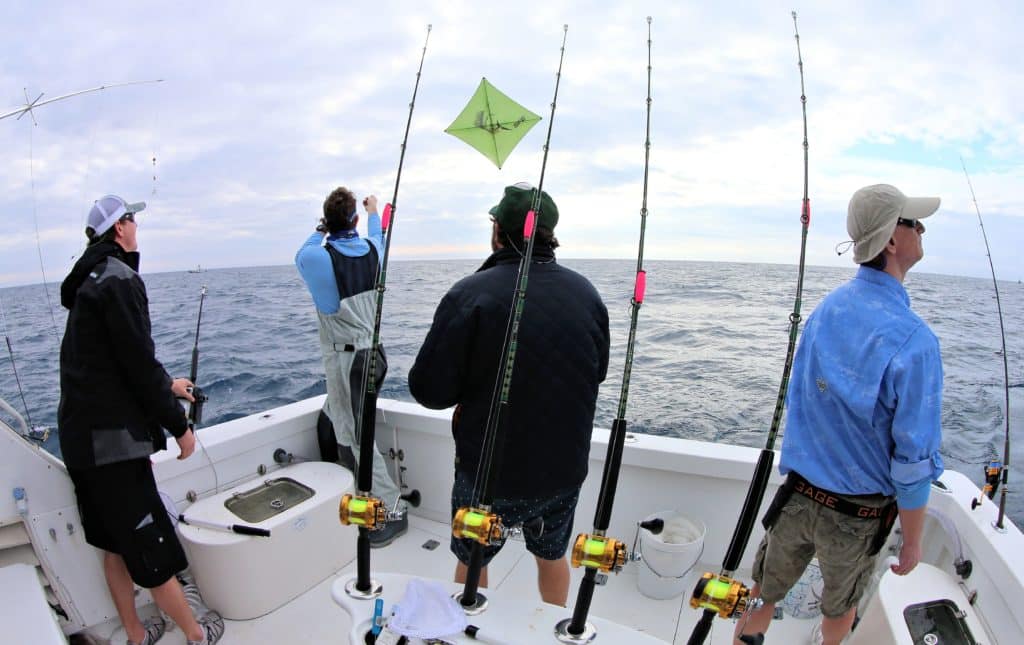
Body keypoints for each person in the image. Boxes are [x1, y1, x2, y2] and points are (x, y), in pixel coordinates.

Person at [735, 184, 945, 645]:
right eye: (913, 222)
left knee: (761, 596)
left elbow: (803, 402)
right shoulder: (916, 341)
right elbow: (912, 462)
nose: (922, 228)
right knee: (839, 613)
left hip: (797, 497)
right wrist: (912, 542)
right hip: (858, 516)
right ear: (891, 240)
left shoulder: (825, 310)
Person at [408, 182, 610, 606]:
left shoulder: (469, 293)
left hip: (487, 477)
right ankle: (549, 632)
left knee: (473, 560)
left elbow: (428, 391)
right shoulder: (588, 295)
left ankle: (467, 625)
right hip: (562, 473)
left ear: (498, 232)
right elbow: (600, 372)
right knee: (553, 556)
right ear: (549, 233)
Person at [59, 195, 224, 645]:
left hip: (80, 442)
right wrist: (180, 426)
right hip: (113, 448)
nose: (136, 226)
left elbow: (111, 364)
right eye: (132, 219)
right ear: (119, 229)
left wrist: (167, 384)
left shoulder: (89, 282)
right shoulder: (120, 279)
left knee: (114, 545)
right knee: (149, 548)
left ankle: (134, 635)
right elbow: (137, 365)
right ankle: (195, 634)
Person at [295, 186, 407, 547]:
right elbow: (377, 232)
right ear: (355, 220)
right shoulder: (375, 248)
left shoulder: (318, 257)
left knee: (360, 439)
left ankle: (393, 510)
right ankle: (356, 489)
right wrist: (374, 210)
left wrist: (323, 227)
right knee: (337, 421)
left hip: (350, 362)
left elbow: (303, 252)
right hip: (372, 355)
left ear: (326, 223)